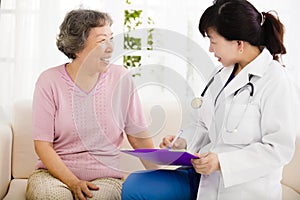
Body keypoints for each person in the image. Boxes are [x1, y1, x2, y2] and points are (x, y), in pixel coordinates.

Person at [121, 0, 299, 199]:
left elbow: (278, 150)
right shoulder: (220, 74)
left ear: (239, 44)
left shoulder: (276, 80)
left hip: (242, 188)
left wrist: (221, 163)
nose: (210, 49)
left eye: (214, 42)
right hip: (203, 178)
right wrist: (182, 142)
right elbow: (203, 125)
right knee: (136, 184)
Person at [26, 9, 156, 200]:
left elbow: (138, 138)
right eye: (102, 40)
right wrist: (73, 182)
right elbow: (43, 146)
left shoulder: (120, 78)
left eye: (111, 38)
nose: (111, 47)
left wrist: (164, 175)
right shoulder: (49, 81)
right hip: (52, 176)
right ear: (78, 46)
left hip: (104, 177)